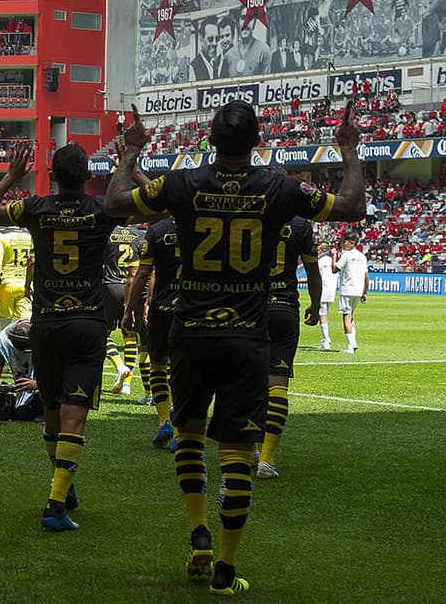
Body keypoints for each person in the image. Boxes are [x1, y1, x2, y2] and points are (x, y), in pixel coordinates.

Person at [105, 100, 364, 595]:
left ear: (209, 140)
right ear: (258, 142)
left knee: (188, 434)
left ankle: (197, 530)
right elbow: (351, 206)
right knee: (237, 451)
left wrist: (132, 151)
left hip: (190, 331)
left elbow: (116, 203)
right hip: (248, 335)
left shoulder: (183, 183)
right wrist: (349, 151)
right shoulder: (279, 187)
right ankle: (225, 567)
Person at [0, 143, 123, 532]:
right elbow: (151, 208)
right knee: (75, 415)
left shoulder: (37, 208)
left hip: (47, 324)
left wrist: (11, 176)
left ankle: (63, 487)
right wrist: (127, 162)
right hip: (87, 323)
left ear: (52, 176)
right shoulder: (101, 210)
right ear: (89, 175)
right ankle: (56, 503)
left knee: (53, 413)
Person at [256, 217, 322, 481]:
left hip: (252, 308)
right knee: (278, 386)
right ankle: (267, 459)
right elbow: (313, 273)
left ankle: (248, 448)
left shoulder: (253, 214)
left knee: (247, 384)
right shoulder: (300, 225)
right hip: (284, 308)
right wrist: (316, 307)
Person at [125, 217, 180, 448]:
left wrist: (130, 309)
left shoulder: (157, 230)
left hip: (162, 308)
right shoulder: (200, 222)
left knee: (158, 364)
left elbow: (144, 273)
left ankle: (164, 421)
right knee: (181, 370)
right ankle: (179, 432)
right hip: (192, 308)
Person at [102, 224, 148, 399]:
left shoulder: (110, 232)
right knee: (129, 334)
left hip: (111, 287)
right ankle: (127, 385)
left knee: (102, 332)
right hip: (132, 289)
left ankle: (119, 366)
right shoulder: (140, 236)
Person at [0, 318, 42, 421]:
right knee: (19, 413)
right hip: (27, 386)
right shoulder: (3, 341)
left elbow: (61, 375)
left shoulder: (46, 337)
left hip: (49, 385)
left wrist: (36, 384)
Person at [0, 225, 33, 331]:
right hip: (25, 285)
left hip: (6, 285)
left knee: (4, 326)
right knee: (26, 325)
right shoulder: (29, 236)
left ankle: (3, 347)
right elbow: (33, 262)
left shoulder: (0, 236)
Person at [335, 233, 368, 354]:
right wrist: (365, 292)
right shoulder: (362, 257)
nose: (343, 244)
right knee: (351, 316)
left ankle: (350, 346)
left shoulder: (346, 255)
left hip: (347, 289)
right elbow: (366, 276)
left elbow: (334, 269)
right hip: (358, 290)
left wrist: (334, 256)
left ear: (352, 243)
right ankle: (353, 343)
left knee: (346, 317)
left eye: (345, 241)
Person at [317, 240, 338, 350]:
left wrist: (300, 281)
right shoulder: (333, 261)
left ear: (323, 250)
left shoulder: (319, 262)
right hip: (331, 291)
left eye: (319, 250)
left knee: (322, 315)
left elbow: (316, 278)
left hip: (323, 290)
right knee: (325, 314)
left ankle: (326, 340)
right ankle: (325, 339)